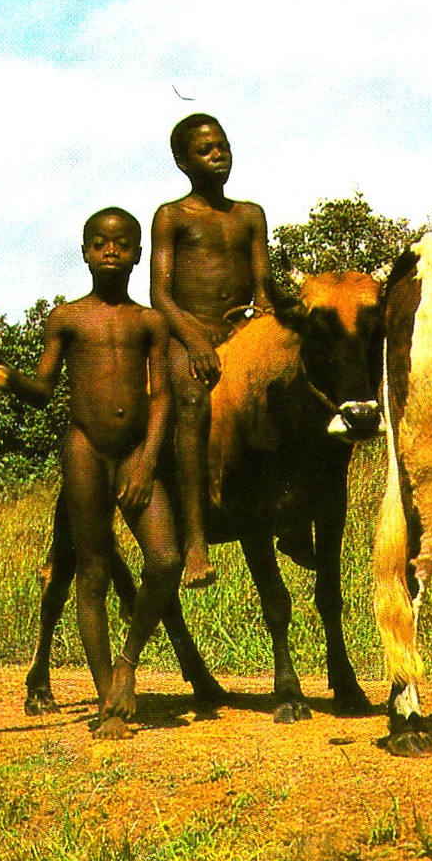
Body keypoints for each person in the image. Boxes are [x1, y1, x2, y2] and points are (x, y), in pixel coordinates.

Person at [0, 209, 180, 741]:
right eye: (100, 243)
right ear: (84, 252)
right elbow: (41, 391)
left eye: (123, 243)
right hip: (84, 448)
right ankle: (108, 703)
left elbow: (162, 396)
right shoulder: (66, 318)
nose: (111, 250)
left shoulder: (150, 322)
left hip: (134, 453)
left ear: (137, 254)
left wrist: (148, 461)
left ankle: (126, 663)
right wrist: (4, 369)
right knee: (93, 574)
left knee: (167, 559)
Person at [151, 114, 275, 590]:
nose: (217, 155)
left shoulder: (250, 214)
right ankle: (196, 539)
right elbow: (161, 294)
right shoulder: (173, 216)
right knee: (191, 400)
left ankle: (290, 522)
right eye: (205, 150)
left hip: (241, 334)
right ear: (183, 163)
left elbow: (263, 284)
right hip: (188, 335)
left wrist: (262, 322)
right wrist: (196, 340)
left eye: (222, 145)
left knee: (286, 392)